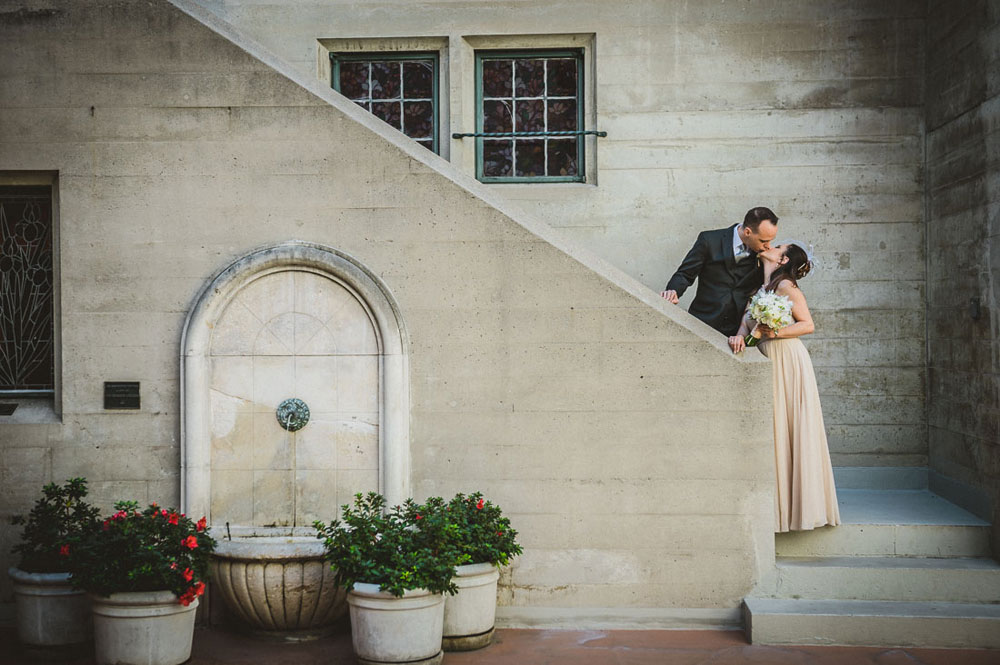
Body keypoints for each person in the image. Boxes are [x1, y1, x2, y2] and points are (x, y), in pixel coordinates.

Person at [729, 242, 840, 533]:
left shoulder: (787, 287)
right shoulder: (762, 289)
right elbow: (746, 322)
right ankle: (777, 509)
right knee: (774, 428)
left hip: (787, 359)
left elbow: (807, 325)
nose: (771, 245)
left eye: (778, 245)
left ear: (784, 259)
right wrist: (739, 337)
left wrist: (772, 331)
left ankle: (800, 511)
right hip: (767, 355)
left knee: (788, 425)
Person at [661, 207, 779, 337]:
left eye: (770, 240)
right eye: (763, 241)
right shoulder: (709, 240)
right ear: (747, 232)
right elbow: (685, 274)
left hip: (738, 331)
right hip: (703, 320)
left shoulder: (763, 254)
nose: (768, 246)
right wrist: (673, 291)